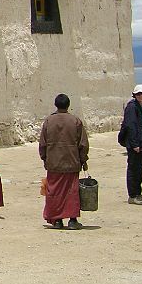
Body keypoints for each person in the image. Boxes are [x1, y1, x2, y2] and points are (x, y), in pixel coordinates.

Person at [38, 93, 89, 230]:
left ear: (56, 105)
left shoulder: (49, 121)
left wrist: (44, 158)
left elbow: (43, 143)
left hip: (54, 163)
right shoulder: (75, 121)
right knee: (72, 192)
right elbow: (83, 144)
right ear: (68, 105)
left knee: (54, 191)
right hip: (72, 162)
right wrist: (83, 159)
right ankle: (72, 220)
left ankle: (57, 220)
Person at [121, 84, 142, 205]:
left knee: (140, 169)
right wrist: (135, 144)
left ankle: (138, 193)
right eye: (138, 94)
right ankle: (133, 195)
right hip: (136, 142)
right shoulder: (132, 107)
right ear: (135, 95)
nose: (141, 96)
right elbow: (130, 126)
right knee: (133, 168)